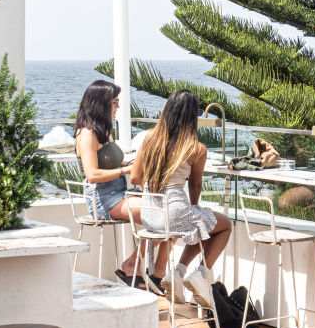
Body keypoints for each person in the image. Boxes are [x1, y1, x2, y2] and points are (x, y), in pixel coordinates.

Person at [132, 89, 232, 308]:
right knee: (223, 225)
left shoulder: (149, 139)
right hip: (175, 211)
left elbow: (135, 177)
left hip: (150, 214)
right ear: (191, 116)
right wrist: (194, 207)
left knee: (201, 223)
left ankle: (177, 273)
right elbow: (195, 184)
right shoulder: (195, 148)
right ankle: (200, 274)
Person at [74, 80, 161, 289]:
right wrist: (127, 170)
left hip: (120, 193)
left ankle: (147, 268)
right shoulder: (87, 135)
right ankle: (138, 266)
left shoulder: (103, 131)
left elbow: (110, 162)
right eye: (114, 102)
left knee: (169, 212)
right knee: (162, 215)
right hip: (103, 200)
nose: (118, 107)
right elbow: (92, 174)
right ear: (101, 104)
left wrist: (136, 164)